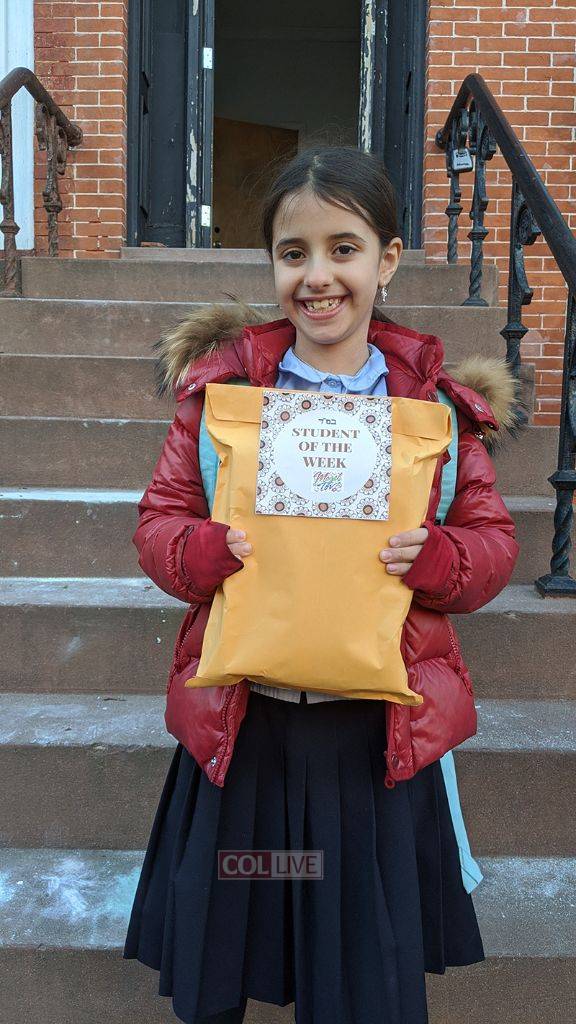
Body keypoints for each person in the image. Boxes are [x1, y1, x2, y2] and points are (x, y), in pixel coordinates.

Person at [123, 146, 520, 1024]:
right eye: (293, 252)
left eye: (344, 249)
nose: (317, 277)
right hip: (246, 725)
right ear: (271, 264)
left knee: (361, 964)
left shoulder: (434, 413)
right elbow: (157, 524)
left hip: (372, 739)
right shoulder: (223, 396)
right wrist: (203, 549)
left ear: (387, 259)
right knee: (236, 912)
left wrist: (437, 559)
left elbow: (492, 544)